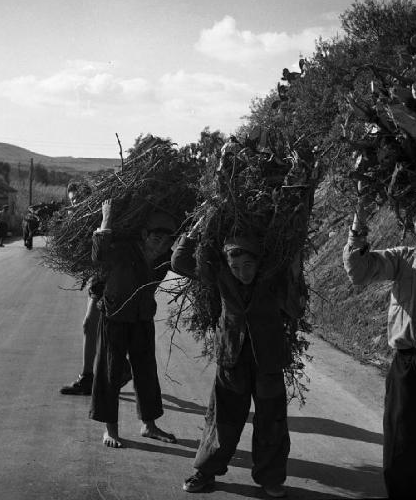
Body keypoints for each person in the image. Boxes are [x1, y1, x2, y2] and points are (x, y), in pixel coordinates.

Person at [171, 219, 306, 498]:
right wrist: (195, 230)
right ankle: (205, 472)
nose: (242, 273)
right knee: (222, 418)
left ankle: (270, 478)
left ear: (258, 263)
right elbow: (180, 262)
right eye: (235, 268)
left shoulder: (273, 280)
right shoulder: (221, 276)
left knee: (271, 421)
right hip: (231, 357)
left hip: (267, 360)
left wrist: (295, 274)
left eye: (247, 266)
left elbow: (295, 309)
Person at [343, 197, 416, 498]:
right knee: (402, 454)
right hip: (405, 371)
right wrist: (359, 221)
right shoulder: (401, 259)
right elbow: (359, 271)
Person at [89, 199, 177, 448]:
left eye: (166, 241)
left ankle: (149, 425)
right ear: (144, 234)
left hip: (142, 318)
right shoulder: (124, 248)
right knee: (109, 372)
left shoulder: (164, 258)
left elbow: (184, 258)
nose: (161, 245)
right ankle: (111, 430)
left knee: (147, 372)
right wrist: (106, 217)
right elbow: (99, 255)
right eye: (156, 238)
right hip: (114, 316)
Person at [60, 182, 133, 396]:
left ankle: (104, 373)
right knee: (92, 326)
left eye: (78, 200)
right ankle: (94, 375)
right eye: (72, 200)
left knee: (94, 325)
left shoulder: (99, 218)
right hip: (97, 277)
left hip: (108, 276)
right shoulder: (79, 222)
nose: (75, 204)